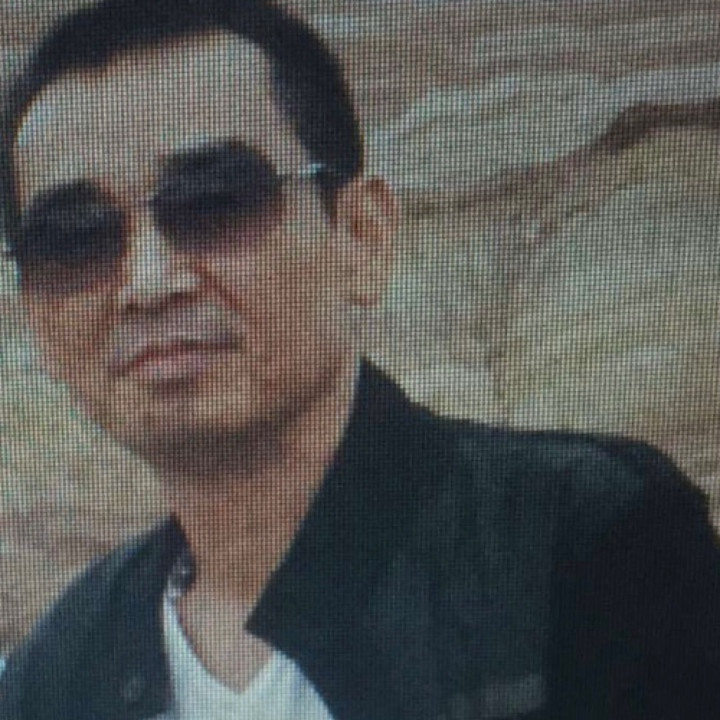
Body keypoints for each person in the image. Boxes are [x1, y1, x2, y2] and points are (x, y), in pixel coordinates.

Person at [1, 1, 720, 718]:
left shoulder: (588, 548)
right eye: (72, 238)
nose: (149, 282)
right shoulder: (58, 675)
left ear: (361, 237)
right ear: (34, 315)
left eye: (214, 200)